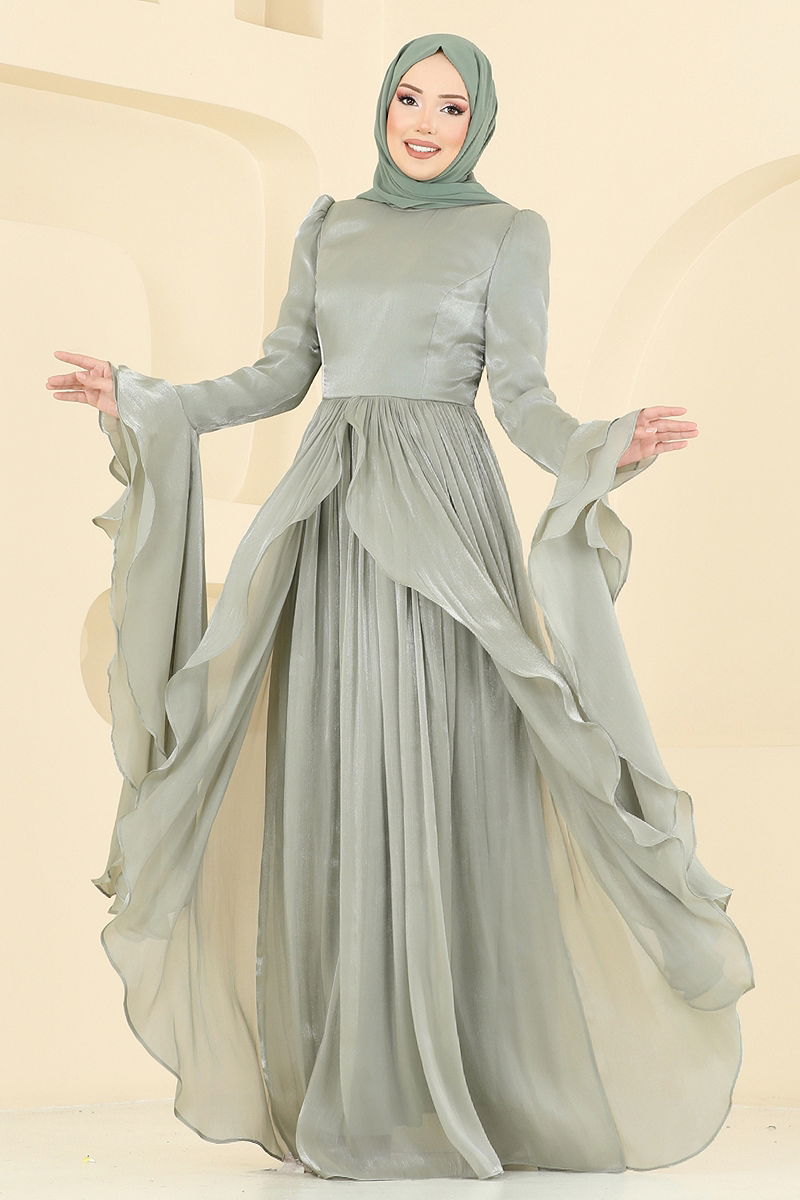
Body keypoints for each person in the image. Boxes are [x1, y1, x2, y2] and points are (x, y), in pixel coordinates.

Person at [46, 32, 754, 1183]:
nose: (423, 122)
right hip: (328, 520)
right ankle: (355, 1086)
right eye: (409, 98)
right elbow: (280, 375)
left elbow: (520, 397)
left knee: (448, 771)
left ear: (479, 122)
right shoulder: (328, 223)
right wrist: (144, 396)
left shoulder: (509, 231)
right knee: (338, 778)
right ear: (383, 105)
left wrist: (598, 443)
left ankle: (465, 1081)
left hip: (444, 523)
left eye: (450, 105)